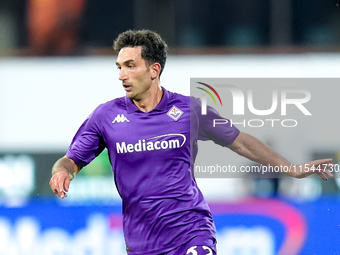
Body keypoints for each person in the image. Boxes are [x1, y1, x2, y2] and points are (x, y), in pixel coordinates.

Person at [49, 29, 333, 255]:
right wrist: (62, 171)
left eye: (130, 65)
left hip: (191, 229)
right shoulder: (105, 116)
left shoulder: (189, 110)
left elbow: (240, 141)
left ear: (154, 69)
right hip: (141, 241)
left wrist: (291, 168)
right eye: (119, 66)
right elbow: (71, 159)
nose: (121, 75)